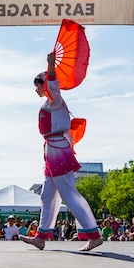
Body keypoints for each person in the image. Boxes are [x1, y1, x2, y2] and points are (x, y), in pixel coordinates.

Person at [20, 52, 103, 252]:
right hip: (51, 150)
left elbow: (53, 84)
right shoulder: (49, 104)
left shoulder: (55, 100)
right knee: (47, 195)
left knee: (68, 193)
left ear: (44, 84)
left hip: (58, 149)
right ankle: (41, 236)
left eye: (37, 85)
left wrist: (50, 66)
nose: (35, 89)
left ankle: (94, 235)